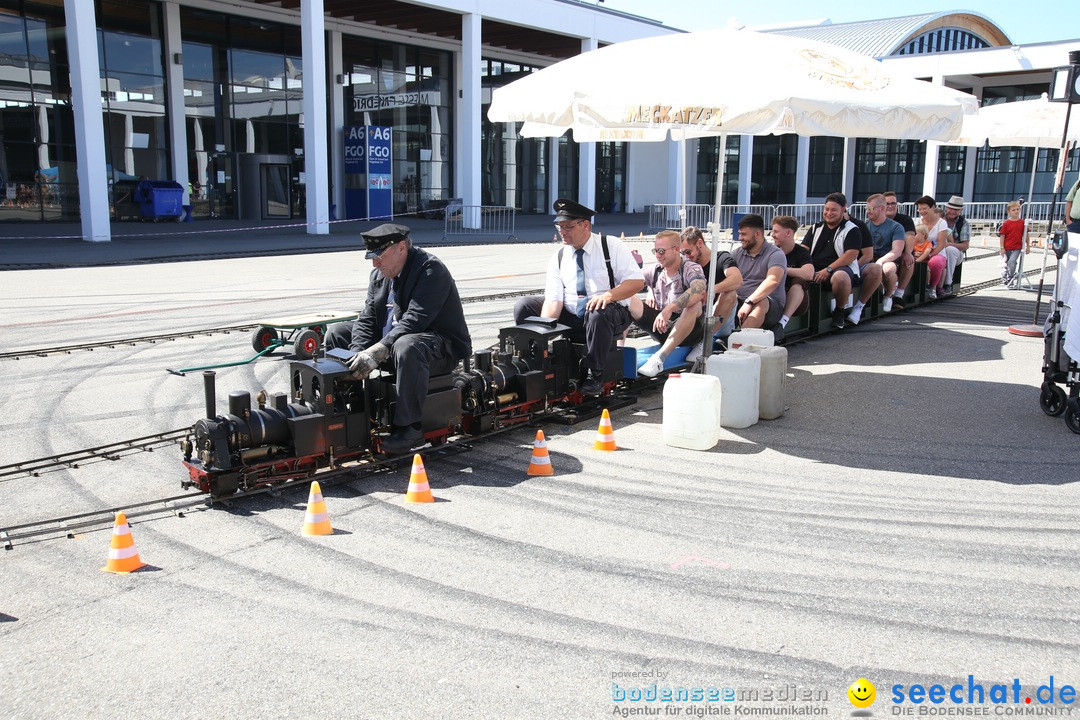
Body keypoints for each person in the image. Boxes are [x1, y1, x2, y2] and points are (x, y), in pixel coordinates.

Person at [324, 223, 472, 454]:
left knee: (407, 345)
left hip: (438, 349)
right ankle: (352, 409)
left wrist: (377, 350)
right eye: (371, 258)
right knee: (337, 332)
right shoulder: (380, 274)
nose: (375, 263)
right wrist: (356, 355)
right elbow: (367, 319)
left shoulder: (431, 270)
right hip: (395, 346)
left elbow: (415, 320)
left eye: (379, 256)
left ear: (401, 248)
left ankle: (409, 428)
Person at [512, 199, 643, 396]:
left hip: (609, 316)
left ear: (585, 225)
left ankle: (595, 373)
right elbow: (554, 301)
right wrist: (542, 330)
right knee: (524, 306)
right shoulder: (559, 257)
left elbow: (636, 282)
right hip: (574, 314)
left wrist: (608, 295)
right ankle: (534, 359)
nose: (562, 232)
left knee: (597, 310)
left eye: (568, 227)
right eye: (559, 226)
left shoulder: (611, 246)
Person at [631, 231, 706, 377]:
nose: (658, 255)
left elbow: (699, 289)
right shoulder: (654, 270)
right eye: (655, 251)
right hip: (663, 328)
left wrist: (670, 308)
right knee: (627, 299)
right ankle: (619, 351)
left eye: (661, 251)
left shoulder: (690, 267)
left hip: (690, 332)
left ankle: (660, 359)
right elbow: (629, 281)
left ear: (676, 249)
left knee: (694, 304)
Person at [679, 225, 742, 358]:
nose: (686, 256)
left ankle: (705, 340)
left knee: (731, 293)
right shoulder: (687, 265)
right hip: (697, 314)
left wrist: (711, 291)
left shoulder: (722, 258)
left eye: (688, 252)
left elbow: (737, 280)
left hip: (719, 319)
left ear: (699, 243)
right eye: (683, 253)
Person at [802, 192, 862, 330]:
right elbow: (804, 249)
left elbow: (851, 254)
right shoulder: (815, 228)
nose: (829, 213)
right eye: (827, 209)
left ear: (843, 209)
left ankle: (839, 311)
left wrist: (828, 269)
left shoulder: (852, 229)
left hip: (839, 269)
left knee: (840, 277)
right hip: (815, 268)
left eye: (834, 210)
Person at [731, 213, 786, 334]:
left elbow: (773, 281)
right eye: (740, 233)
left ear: (757, 234)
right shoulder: (736, 253)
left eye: (744, 234)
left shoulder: (775, 254)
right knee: (725, 295)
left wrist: (749, 301)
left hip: (769, 307)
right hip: (739, 301)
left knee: (762, 302)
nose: (740, 238)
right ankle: (709, 339)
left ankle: (739, 340)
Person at [770, 215, 814, 334]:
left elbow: (809, 274)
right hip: (774, 296)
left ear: (788, 233)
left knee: (798, 282)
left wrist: (781, 269)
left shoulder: (801, 252)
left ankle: (782, 323)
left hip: (796, 300)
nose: (772, 235)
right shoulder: (771, 252)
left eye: (776, 231)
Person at [865, 193, 908, 312]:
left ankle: (888, 296)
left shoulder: (896, 227)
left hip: (888, 259)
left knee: (887, 269)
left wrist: (881, 261)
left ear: (882, 209)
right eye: (866, 209)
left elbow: (897, 251)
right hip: (869, 258)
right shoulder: (865, 226)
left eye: (870, 209)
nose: (868, 212)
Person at [883, 191, 917, 302]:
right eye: (887, 204)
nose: (891, 206)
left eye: (893, 203)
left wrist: (907, 252)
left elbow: (910, 236)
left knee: (909, 258)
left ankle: (899, 294)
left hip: (900, 252)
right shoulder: (877, 219)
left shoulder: (905, 219)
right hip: (882, 253)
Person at [915, 196, 950, 299]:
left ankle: (933, 287)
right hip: (919, 251)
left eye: (924, 208)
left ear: (933, 207)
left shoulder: (941, 223)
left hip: (936, 253)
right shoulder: (917, 222)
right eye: (919, 209)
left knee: (934, 262)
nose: (922, 211)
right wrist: (914, 253)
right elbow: (912, 240)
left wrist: (929, 255)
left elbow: (941, 244)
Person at [941, 195, 970, 294]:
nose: (952, 211)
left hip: (955, 254)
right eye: (951, 208)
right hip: (937, 249)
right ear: (946, 208)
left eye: (956, 210)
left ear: (961, 210)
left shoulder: (963, 223)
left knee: (950, 250)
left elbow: (965, 245)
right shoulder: (939, 218)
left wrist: (948, 244)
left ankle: (948, 284)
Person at [999, 200, 1028, 285]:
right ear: (1009, 212)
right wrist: (1002, 247)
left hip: (1017, 247)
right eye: (1013, 210)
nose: (1016, 211)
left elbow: (1026, 234)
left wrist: (1028, 246)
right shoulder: (1006, 223)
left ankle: (1010, 277)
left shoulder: (1022, 222)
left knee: (1012, 261)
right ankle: (1005, 276)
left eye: (1017, 209)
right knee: (1006, 262)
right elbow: (1002, 236)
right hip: (1007, 247)